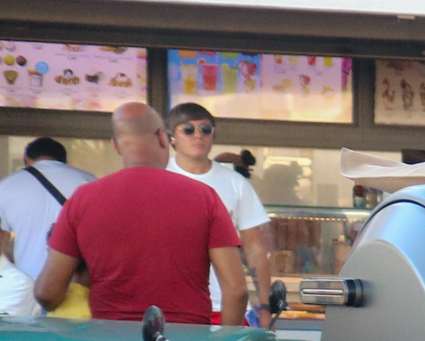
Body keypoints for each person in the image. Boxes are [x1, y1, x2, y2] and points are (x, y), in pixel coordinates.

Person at [33, 102, 245, 326]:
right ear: (163, 138)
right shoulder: (204, 197)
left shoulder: (83, 198)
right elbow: (237, 291)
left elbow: (48, 294)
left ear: (116, 145)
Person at [164, 102, 273, 304]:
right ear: (171, 138)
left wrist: (266, 306)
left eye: (205, 129)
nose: (198, 135)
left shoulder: (236, 183)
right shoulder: (158, 178)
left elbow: (254, 248)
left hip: (227, 304)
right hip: (170, 304)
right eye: (188, 130)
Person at [0, 138, 96, 319]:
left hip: (27, 291)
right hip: (78, 291)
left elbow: (1, 246)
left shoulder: (5, 186)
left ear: (27, 159)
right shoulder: (89, 182)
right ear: (64, 160)